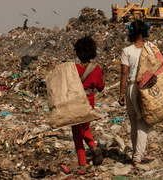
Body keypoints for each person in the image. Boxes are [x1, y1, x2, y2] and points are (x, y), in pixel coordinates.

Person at [118, 20, 155, 166]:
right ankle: (138, 157)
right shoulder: (150, 49)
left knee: (133, 121)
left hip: (130, 88)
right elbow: (156, 68)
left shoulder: (127, 51)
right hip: (144, 87)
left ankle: (135, 153)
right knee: (142, 122)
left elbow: (124, 73)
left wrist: (121, 95)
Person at [72, 35, 106, 173]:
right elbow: (101, 87)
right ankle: (93, 146)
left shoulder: (73, 68)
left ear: (78, 53)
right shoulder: (96, 68)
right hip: (89, 102)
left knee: (76, 132)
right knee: (85, 128)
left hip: (76, 102)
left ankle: (83, 163)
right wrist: (102, 74)